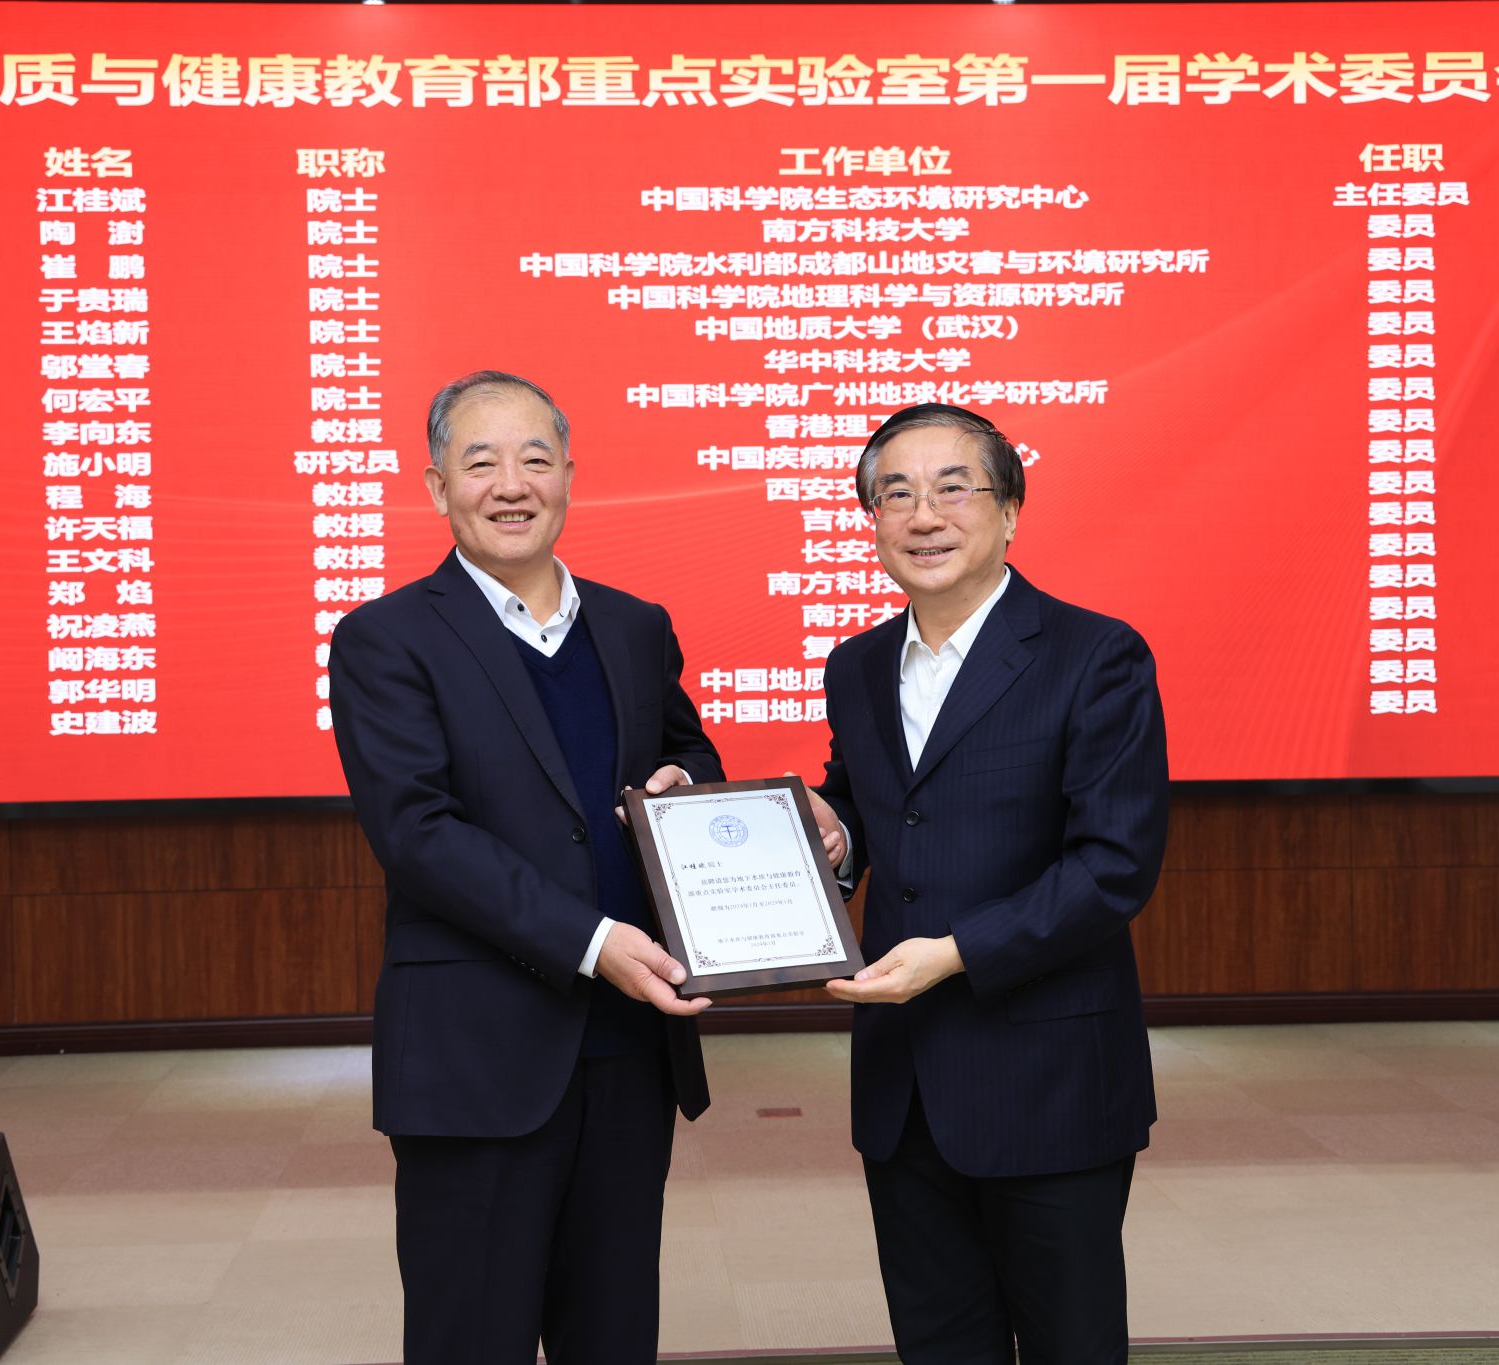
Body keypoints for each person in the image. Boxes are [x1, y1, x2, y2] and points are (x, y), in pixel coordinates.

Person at [328, 371, 721, 1365]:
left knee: (613, 1333)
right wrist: (592, 942)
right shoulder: (386, 639)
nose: (511, 485)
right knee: (472, 1336)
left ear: (569, 477)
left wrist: (685, 785)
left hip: (627, 1052)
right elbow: (417, 832)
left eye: (534, 460)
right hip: (475, 1057)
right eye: (481, 463)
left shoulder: (634, 626)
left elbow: (690, 754)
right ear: (436, 488)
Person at [808, 403, 1169, 1364]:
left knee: (1070, 1345)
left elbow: (1114, 865)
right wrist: (835, 836)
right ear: (872, 521)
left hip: (1048, 1080)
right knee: (938, 1343)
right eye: (896, 494)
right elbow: (873, 812)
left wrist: (958, 953)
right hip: (903, 1086)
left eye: (953, 488)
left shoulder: (1096, 655)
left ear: (1010, 509)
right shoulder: (856, 665)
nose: (924, 515)